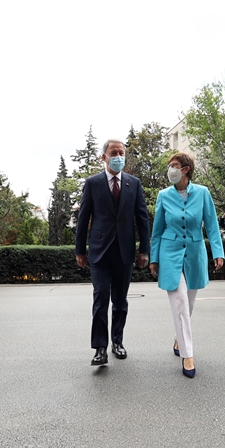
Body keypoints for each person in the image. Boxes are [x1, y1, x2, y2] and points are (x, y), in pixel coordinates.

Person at [75, 138, 150, 366]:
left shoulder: (134, 183)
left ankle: (117, 341)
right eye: (114, 152)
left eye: (122, 152)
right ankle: (100, 348)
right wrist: (80, 250)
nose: (118, 156)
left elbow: (142, 219)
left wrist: (144, 251)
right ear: (104, 157)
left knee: (120, 301)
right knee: (100, 300)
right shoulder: (92, 183)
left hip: (125, 251)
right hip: (99, 252)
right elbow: (83, 218)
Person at [150, 152, 225, 378]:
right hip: (169, 253)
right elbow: (157, 231)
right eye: (169, 165)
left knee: (188, 305)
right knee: (180, 302)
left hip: (194, 253)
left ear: (185, 169)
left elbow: (211, 225)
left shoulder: (202, 193)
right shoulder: (163, 195)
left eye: (174, 165)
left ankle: (178, 338)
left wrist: (218, 251)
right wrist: (154, 258)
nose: (170, 169)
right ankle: (188, 354)